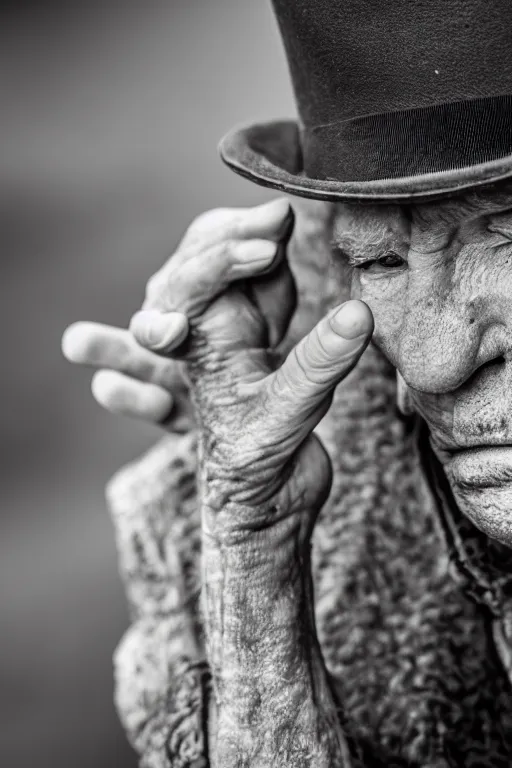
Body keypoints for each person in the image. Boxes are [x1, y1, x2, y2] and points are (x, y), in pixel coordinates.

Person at [62, 1, 512, 765]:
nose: (430, 370)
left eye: (503, 233)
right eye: (379, 261)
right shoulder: (346, 404)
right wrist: (251, 542)